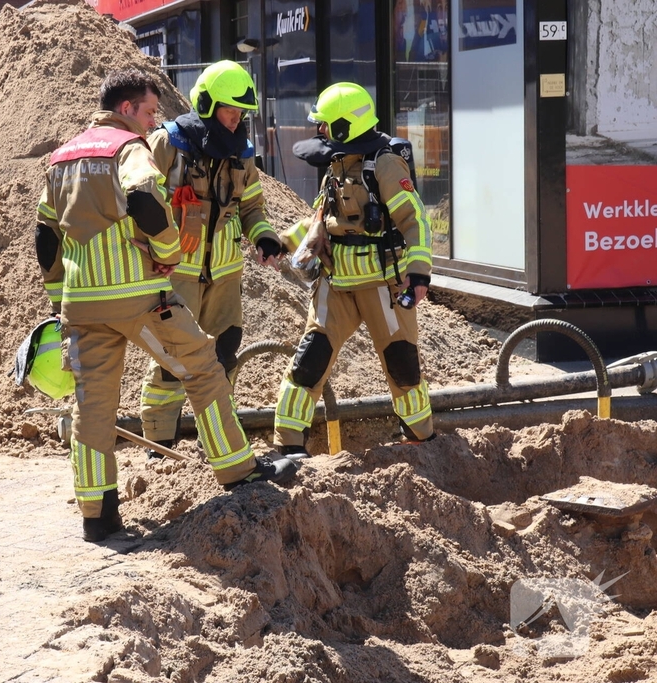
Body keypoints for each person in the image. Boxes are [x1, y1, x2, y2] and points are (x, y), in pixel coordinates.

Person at [35, 68, 299, 543]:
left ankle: (97, 516)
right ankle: (239, 473)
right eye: (150, 110)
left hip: (82, 302)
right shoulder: (132, 147)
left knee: (92, 408)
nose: (154, 119)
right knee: (200, 368)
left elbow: (45, 237)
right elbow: (143, 198)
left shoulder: (62, 157)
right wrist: (168, 254)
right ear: (127, 109)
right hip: (138, 294)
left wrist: (60, 298)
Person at [273, 82, 435, 457]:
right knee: (310, 360)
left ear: (345, 126)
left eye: (325, 125)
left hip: (383, 286)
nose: (320, 131)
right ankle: (288, 445)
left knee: (402, 365)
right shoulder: (338, 163)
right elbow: (321, 219)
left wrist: (419, 273)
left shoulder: (384, 163)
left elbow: (415, 221)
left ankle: (420, 439)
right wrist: (283, 242)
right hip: (337, 284)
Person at [138, 61, 282, 457]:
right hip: (174, 275)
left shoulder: (243, 154)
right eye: (230, 113)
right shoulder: (168, 144)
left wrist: (264, 236)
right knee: (172, 362)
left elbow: (252, 207)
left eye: (241, 115)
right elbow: (136, 201)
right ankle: (159, 448)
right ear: (206, 105)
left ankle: (217, 444)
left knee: (222, 357)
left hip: (225, 277)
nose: (236, 122)